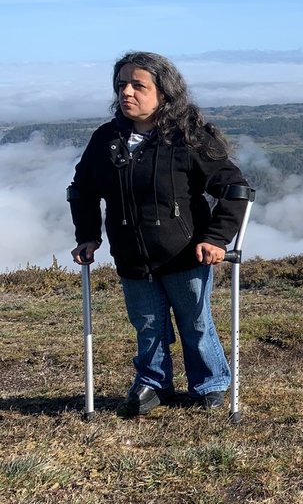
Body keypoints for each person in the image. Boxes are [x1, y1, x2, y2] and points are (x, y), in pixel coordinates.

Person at [67, 51, 249, 417]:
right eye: (122, 85)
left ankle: (210, 384)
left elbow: (234, 188)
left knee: (195, 323)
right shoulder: (106, 140)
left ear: (163, 92)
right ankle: (153, 383)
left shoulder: (187, 137)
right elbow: (83, 189)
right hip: (132, 253)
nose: (127, 93)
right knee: (147, 324)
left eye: (138, 85)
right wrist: (87, 235)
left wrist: (216, 238)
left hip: (184, 253)